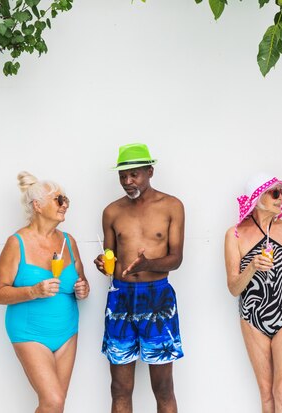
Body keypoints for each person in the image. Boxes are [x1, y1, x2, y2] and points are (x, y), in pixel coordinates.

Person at [94, 143, 185, 413]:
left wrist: (148, 264)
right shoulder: (111, 211)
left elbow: (177, 258)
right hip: (120, 298)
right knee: (119, 388)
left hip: (158, 296)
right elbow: (110, 258)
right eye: (123, 176)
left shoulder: (172, 206)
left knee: (164, 387)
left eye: (134, 174)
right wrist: (103, 264)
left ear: (150, 171)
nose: (127, 181)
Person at [0, 171, 90, 413]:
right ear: (37, 205)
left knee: (55, 405)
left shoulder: (69, 241)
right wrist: (33, 291)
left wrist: (83, 288)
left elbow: (81, 280)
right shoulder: (17, 243)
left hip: (67, 331)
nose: (64, 204)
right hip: (30, 332)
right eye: (58, 199)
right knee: (53, 401)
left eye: (65, 199)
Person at [224, 173, 282, 413]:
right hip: (252, 317)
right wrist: (251, 267)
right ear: (257, 198)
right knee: (266, 392)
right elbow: (233, 288)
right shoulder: (235, 234)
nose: (280, 197)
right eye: (275, 193)